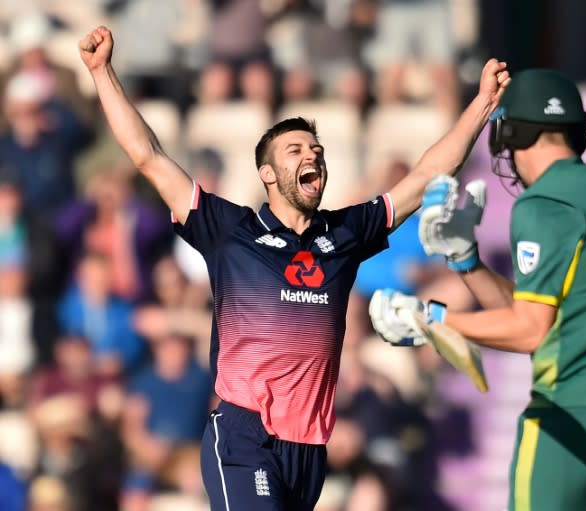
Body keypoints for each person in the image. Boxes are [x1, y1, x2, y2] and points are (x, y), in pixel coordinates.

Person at [78, 25, 510, 511]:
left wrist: (481, 105)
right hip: (244, 436)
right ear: (267, 173)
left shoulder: (345, 234)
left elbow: (427, 175)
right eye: (296, 150)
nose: (313, 156)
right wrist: (102, 72)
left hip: (308, 448)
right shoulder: (229, 230)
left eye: (318, 152)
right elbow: (149, 156)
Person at [369, 68, 586, 510]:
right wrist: (468, 263)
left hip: (579, 415)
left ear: (516, 130)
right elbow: (546, 314)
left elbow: (530, 332)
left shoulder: (544, 201)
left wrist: (431, 320)